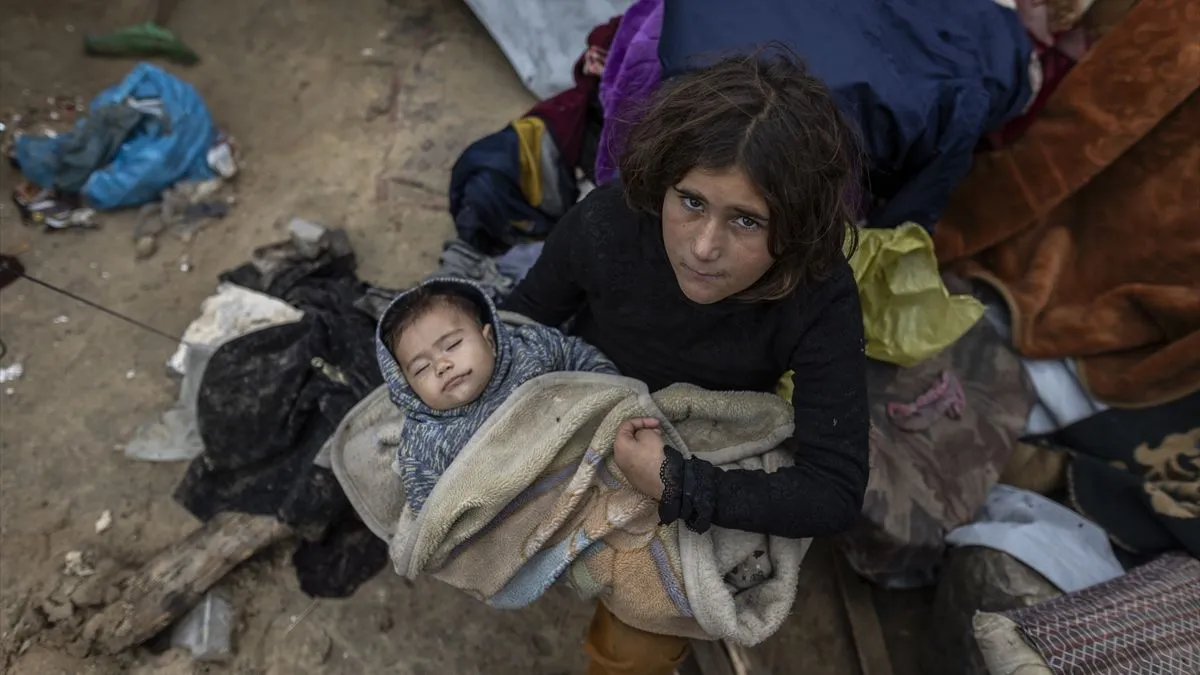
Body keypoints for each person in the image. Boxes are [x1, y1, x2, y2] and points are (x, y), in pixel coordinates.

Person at [500, 49, 870, 675]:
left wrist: (680, 483)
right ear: (663, 183)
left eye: (747, 220)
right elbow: (521, 326)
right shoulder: (607, 225)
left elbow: (833, 490)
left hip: (698, 453)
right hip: (585, 417)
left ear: (796, 230)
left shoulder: (819, 293)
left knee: (637, 643)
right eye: (692, 202)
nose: (704, 247)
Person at [375, 277, 617, 512]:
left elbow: (581, 359)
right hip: (517, 517)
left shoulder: (532, 352)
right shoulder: (425, 443)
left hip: (589, 460)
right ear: (408, 389)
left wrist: (613, 393)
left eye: (452, 345)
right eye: (421, 368)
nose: (442, 365)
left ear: (489, 340)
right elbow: (432, 518)